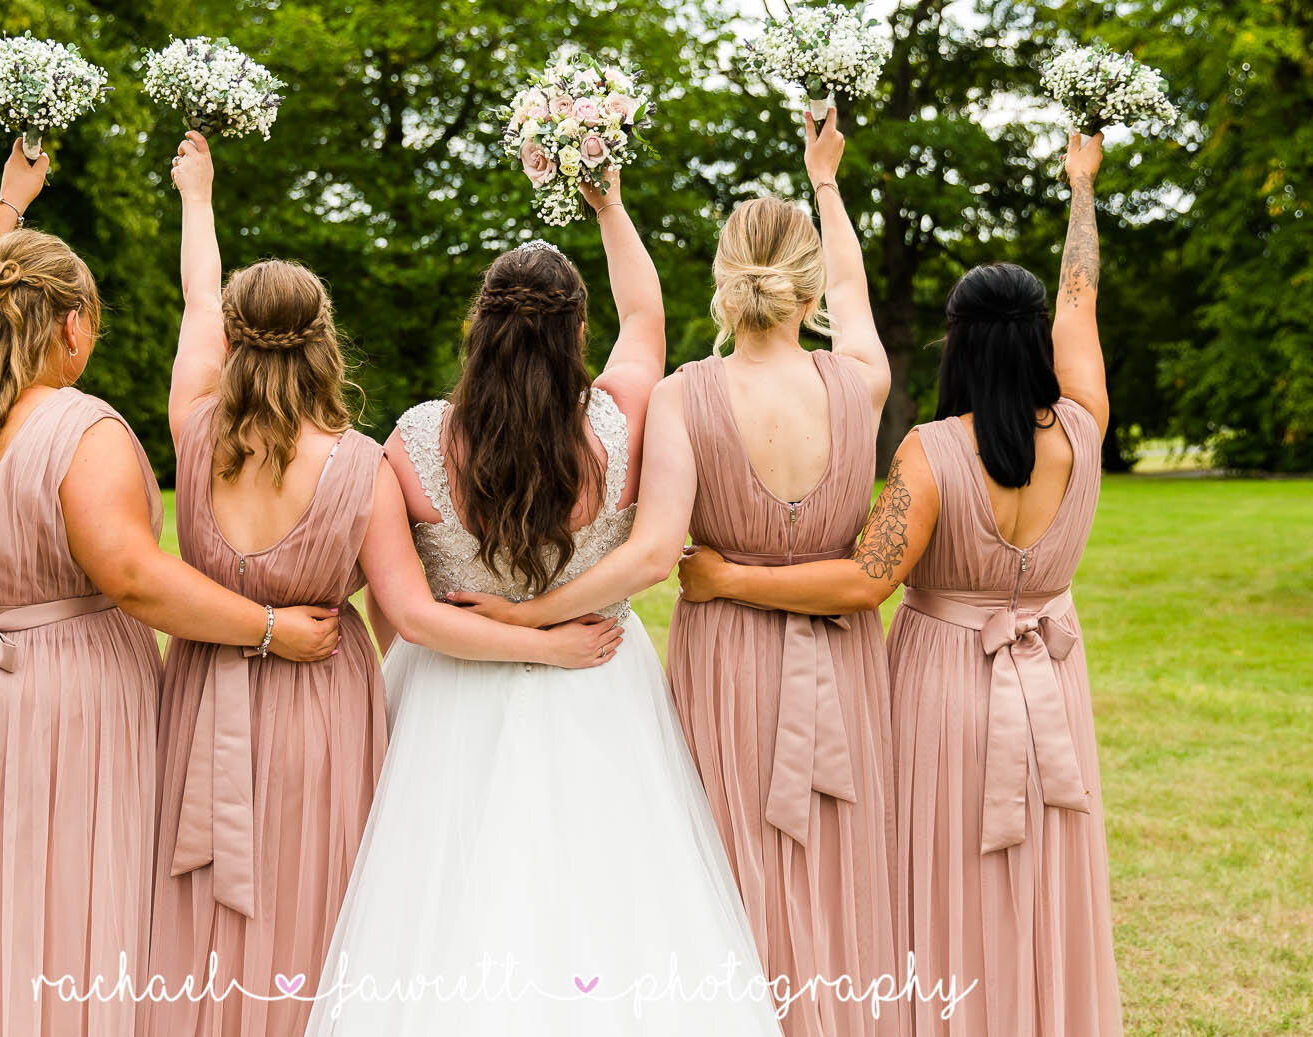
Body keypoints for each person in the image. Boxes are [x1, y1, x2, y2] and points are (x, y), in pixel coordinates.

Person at [0, 143, 336, 1037]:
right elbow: (134, 578)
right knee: (47, 907)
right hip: (50, 709)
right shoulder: (84, 433)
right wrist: (271, 625)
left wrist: (9, 205)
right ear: (74, 323)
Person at [150, 133, 623, 1036]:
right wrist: (542, 642)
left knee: (196, 906)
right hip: (318, 709)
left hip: (198, 697)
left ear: (233, 341)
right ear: (325, 340)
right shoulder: (361, 466)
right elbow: (409, 612)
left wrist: (198, 197)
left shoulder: (192, 427)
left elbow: (197, 298)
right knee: (329, 906)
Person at [304, 167, 783, 1036]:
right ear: (577, 331)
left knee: (441, 906)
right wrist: (609, 203)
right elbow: (648, 318)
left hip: (450, 690)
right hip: (599, 675)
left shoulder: (412, 441)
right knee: (612, 891)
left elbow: (408, 616)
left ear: (477, 326)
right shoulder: (619, 419)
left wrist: (517, 636)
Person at [461, 109, 900, 1034]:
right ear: (806, 286)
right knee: (845, 867)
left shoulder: (683, 398)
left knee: (721, 873)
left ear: (723, 280)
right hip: (847, 660)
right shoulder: (858, 382)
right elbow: (856, 298)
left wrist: (528, 615)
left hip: (729, 664)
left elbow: (655, 556)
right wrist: (826, 181)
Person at [680, 131, 1121, 1036]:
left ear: (956, 344)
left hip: (943, 696)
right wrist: (1082, 191)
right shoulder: (1083, 425)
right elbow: (1081, 295)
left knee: (941, 888)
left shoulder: (932, 454)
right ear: (1036, 340)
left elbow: (861, 583)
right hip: (1055, 687)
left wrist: (726, 575)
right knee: (1049, 879)